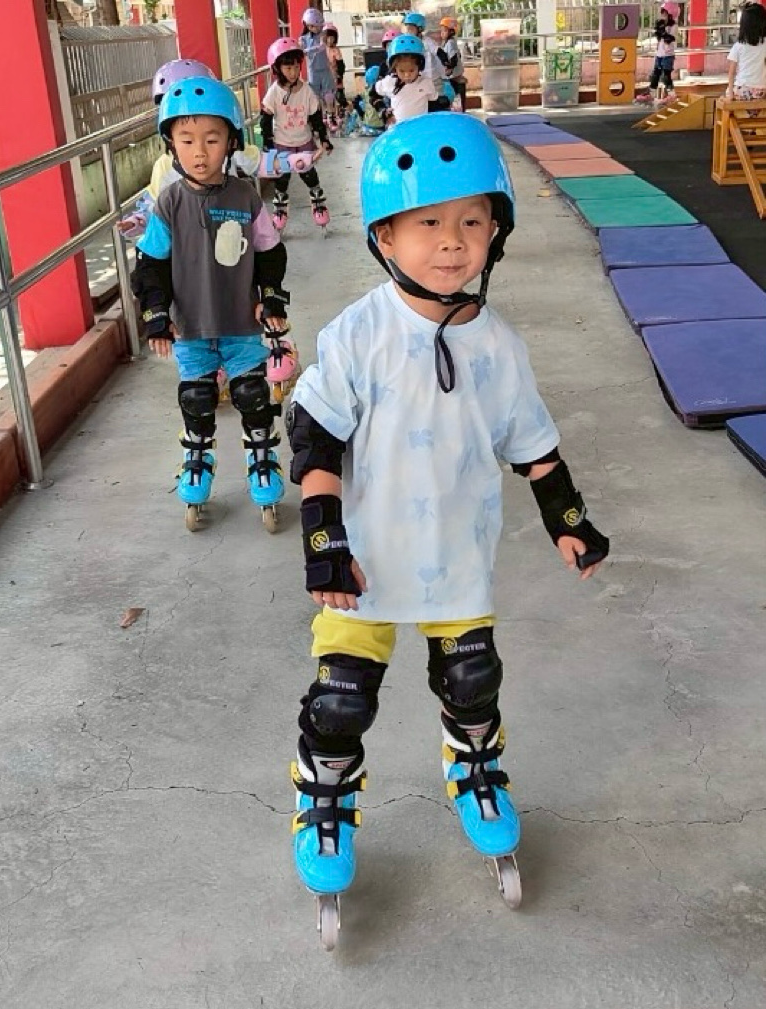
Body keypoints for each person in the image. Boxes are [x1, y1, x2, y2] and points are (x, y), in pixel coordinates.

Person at [286, 114, 609, 943]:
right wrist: (323, 536)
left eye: (473, 220)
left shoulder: (500, 348)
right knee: (341, 699)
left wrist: (568, 519)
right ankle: (324, 794)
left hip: (456, 558)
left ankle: (473, 765)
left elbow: (533, 447)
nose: (453, 241)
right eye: (428, 222)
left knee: (472, 681)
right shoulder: (358, 335)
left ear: (498, 231)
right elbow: (315, 436)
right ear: (385, 237)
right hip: (361, 565)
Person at [131, 78, 290, 532]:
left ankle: (262, 458)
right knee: (197, 400)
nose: (199, 152)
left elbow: (269, 252)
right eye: (186, 140)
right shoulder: (169, 203)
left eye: (211, 139)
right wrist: (156, 316)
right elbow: (150, 265)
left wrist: (271, 297)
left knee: (253, 397)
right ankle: (197, 459)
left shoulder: (246, 197)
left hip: (241, 322)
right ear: (171, 145)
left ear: (231, 142)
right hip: (191, 326)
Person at [117, 59, 260, 242]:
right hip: (187, 247)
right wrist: (138, 222)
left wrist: (291, 160)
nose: (200, 151)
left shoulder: (229, 149)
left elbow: (259, 162)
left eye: (211, 140)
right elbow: (154, 205)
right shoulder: (164, 166)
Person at [260, 37, 333, 232]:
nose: (293, 73)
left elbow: (315, 117)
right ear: (277, 69)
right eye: (287, 68)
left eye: (295, 67)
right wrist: (267, 143)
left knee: (309, 175)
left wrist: (324, 139)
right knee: (282, 179)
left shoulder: (306, 90)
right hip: (282, 143)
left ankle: (318, 202)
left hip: (304, 141)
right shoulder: (274, 92)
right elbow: (265, 118)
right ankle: (279, 210)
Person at [374, 35, 438, 124]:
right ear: (394, 68)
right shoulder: (390, 82)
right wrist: (383, 110)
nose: (407, 75)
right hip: (398, 129)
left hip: (420, 128)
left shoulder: (426, 83)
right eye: (402, 71)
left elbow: (433, 103)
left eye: (411, 70)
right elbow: (372, 94)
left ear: (420, 66)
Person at [401, 10, 449, 109]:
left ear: (420, 28)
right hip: (417, 79)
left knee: (437, 103)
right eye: (407, 28)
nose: (408, 31)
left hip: (432, 79)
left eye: (411, 28)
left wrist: (446, 63)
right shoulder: (407, 43)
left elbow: (439, 51)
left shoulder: (427, 41)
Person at [636, 2, 679, 105]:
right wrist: (658, 31)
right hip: (660, 54)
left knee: (666, 76)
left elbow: (669, 39)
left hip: (668, 55)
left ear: (671, 14)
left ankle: (672, 95)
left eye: (665, 13)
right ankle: (651, 94)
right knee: (655, 74)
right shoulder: (662, 24)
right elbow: (660, 39)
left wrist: (663, 31)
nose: (662, 15)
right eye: (662, 13)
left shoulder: (673, 26)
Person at [725, 2, 766, 104]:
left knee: (727, 93)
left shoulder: (738, 46)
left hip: (742, 90)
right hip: (761, 91)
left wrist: (730, 93)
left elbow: (731, 72)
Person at [300, 6, 334, 113]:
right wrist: (302, 49)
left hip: (325, 69)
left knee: (329, 94)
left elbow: (322, 46)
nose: (317, 29)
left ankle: (331, 115)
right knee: (315, 95)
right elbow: (300, 49)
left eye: (319, 26)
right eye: (313, 26)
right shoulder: (303, 38)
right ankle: (320, 116)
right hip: (313, 71)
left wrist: (307, 51)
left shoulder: (323, 35)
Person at [439, 16, 467, 112]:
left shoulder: (450, 43)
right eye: (441, 31)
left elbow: (454, 57)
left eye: (444, 31)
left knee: (454, 96)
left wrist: (450, 68)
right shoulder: (449, 42)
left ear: (451, 32)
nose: (442, 33)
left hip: (454, 76)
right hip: (454, 74)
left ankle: (457, 111)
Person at [352, 65, 387, 135]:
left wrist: (361, 114)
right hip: (381, 126)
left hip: (368, 124)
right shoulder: (384, 91)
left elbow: (355, 102)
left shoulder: (366, 92)